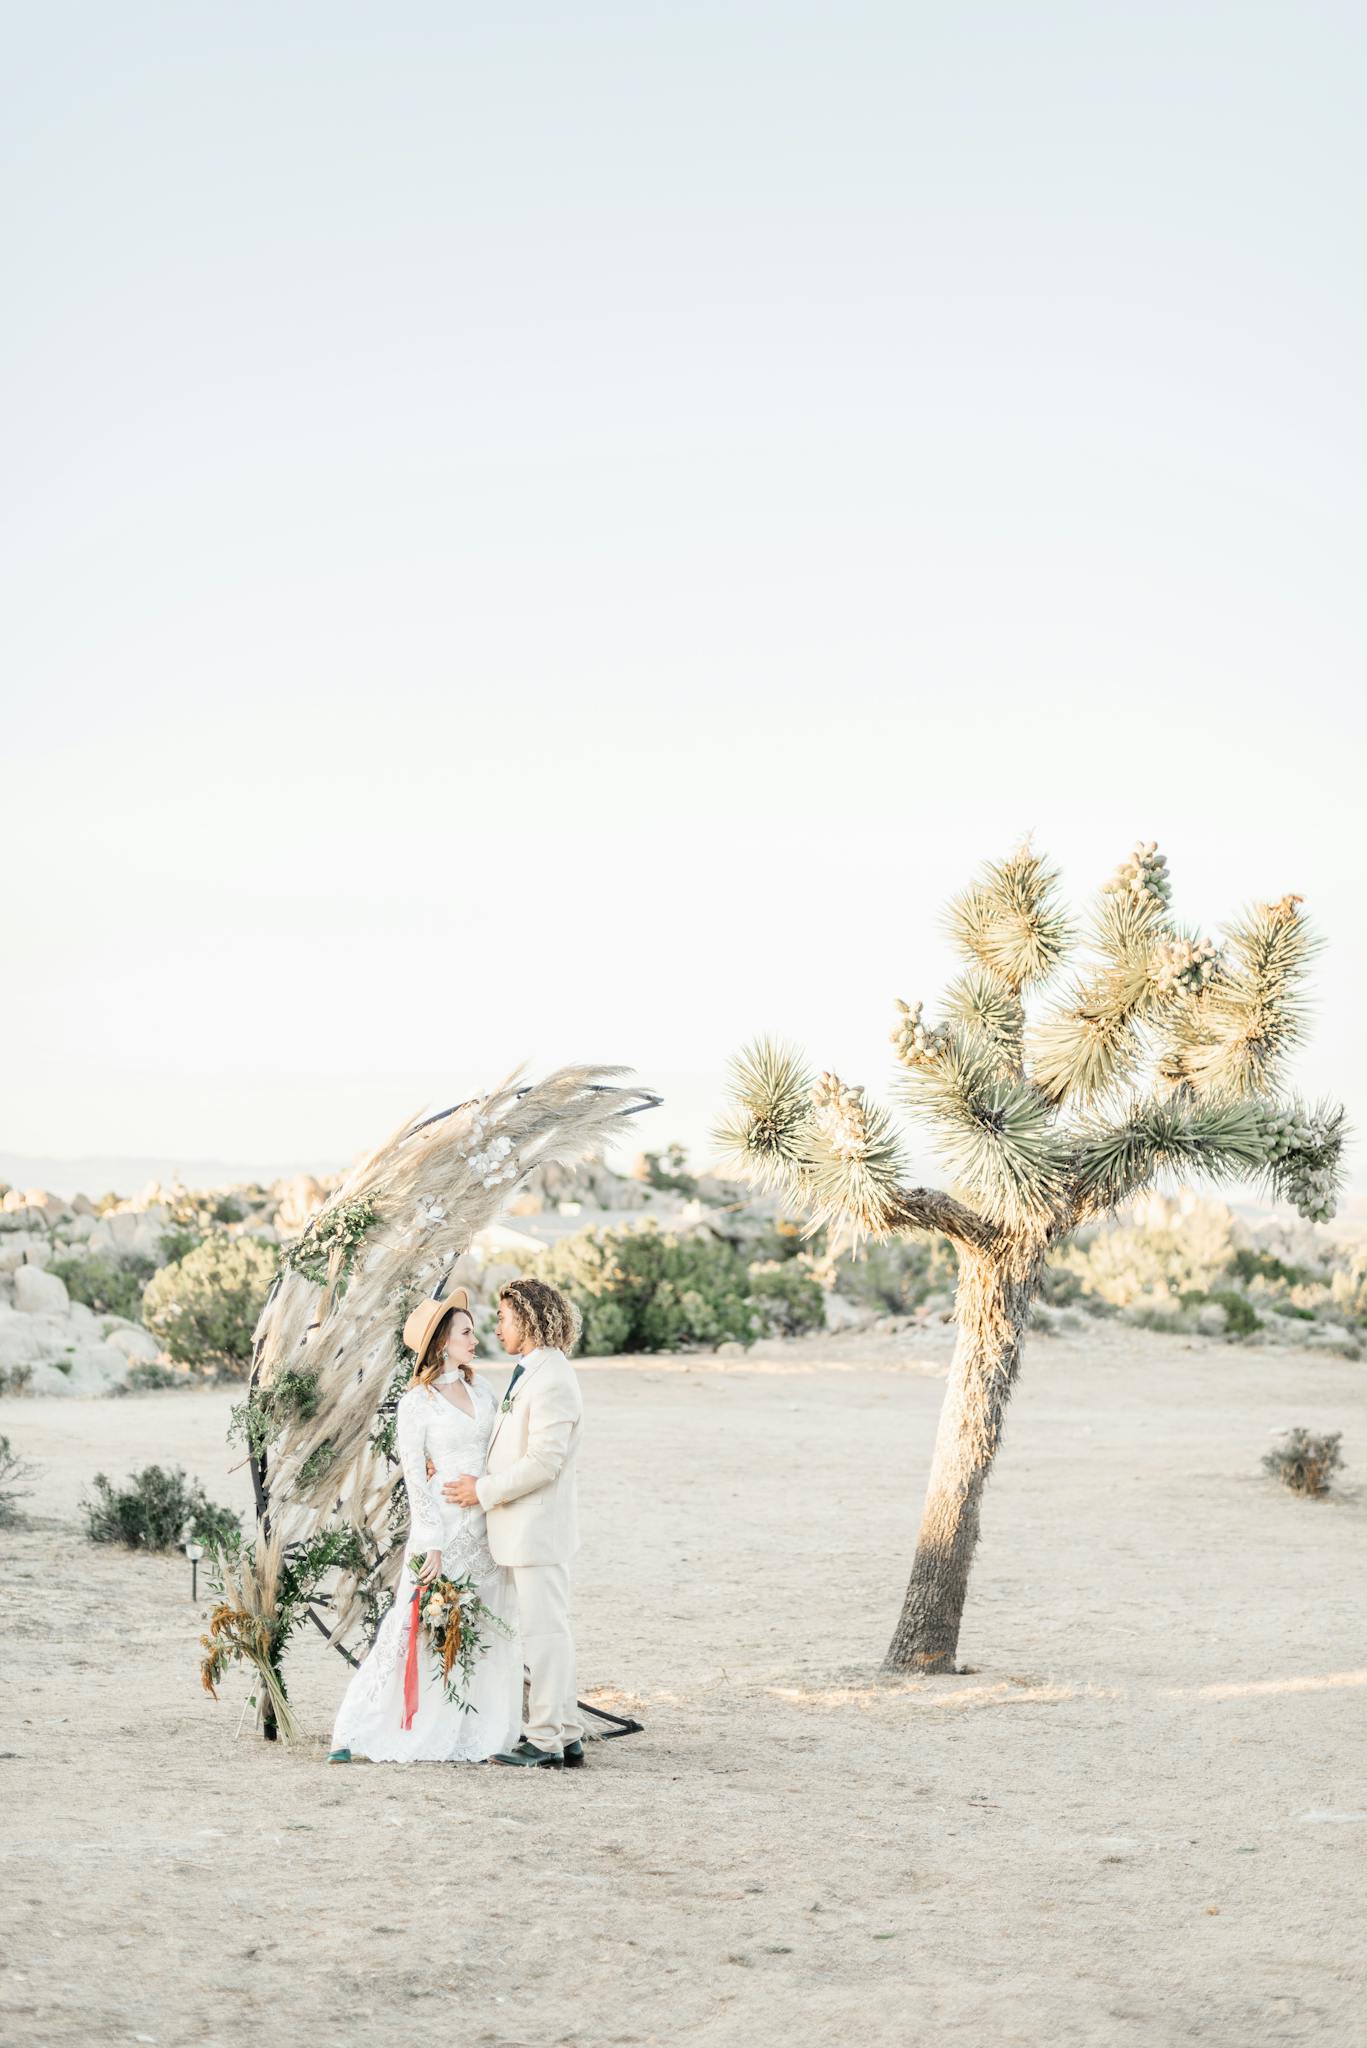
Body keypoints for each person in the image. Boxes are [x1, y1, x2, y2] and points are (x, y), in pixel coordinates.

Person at [327, 1289, 521, 1763]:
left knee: (483, 1623)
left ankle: (473, 1731)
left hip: (486, 1525)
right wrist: (430, 1543)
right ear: (440, 1343)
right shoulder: (417, 1403)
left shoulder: (483, 1391)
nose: (476, 1339)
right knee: (416, 1627)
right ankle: (365, 1726)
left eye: (475, 1330)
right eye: (466, 1332)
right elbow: (415, 1477)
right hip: (442, 1528)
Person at [445, 1277, 584, 1769]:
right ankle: (567, 1733)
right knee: (549, 1632)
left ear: (526, 1318)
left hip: (536, 1528)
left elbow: (544, 1461)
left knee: (546, 1635)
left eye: (503, 1317)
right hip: (523, 1528)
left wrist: (481, 1491)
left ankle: (546, 1740)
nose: (496, 1326)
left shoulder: (552, 1378)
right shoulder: (532, 1371)